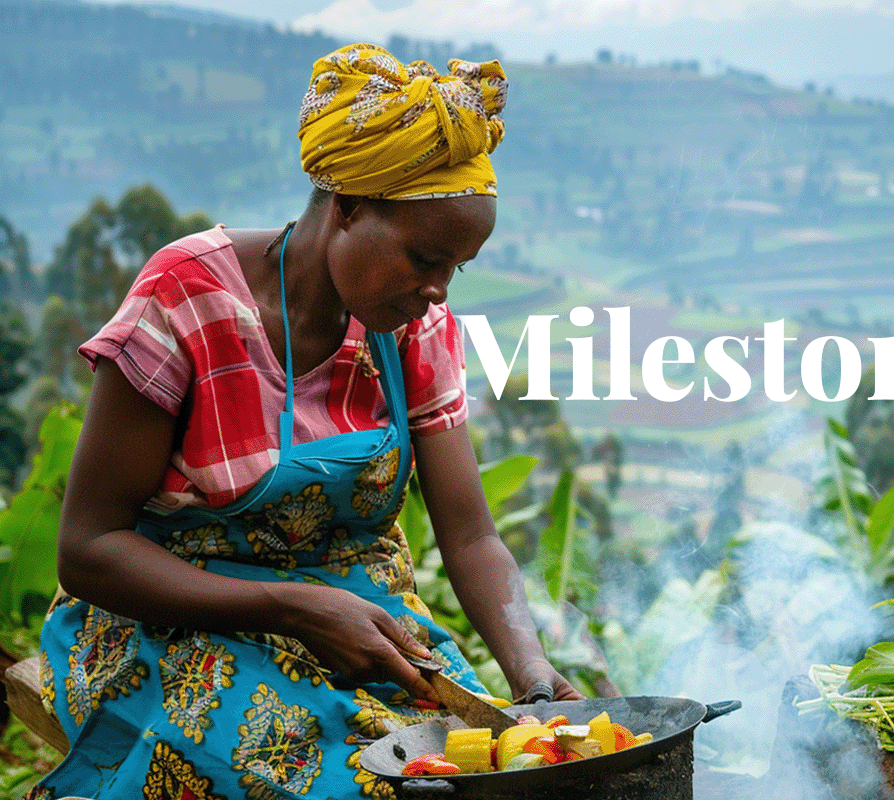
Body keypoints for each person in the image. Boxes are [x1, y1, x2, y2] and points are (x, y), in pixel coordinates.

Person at [31, 43, 581, 800]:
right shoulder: (189, 297)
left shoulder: (410, 324)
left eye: (458, 267)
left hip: (367, 626)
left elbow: (471, 534)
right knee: (358, 787)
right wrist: (293, 607)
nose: (439, 291)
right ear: (349, 206)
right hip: (172, 626)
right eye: (426, 259)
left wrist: (531, 674)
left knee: (474, 775)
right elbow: (89, 550)